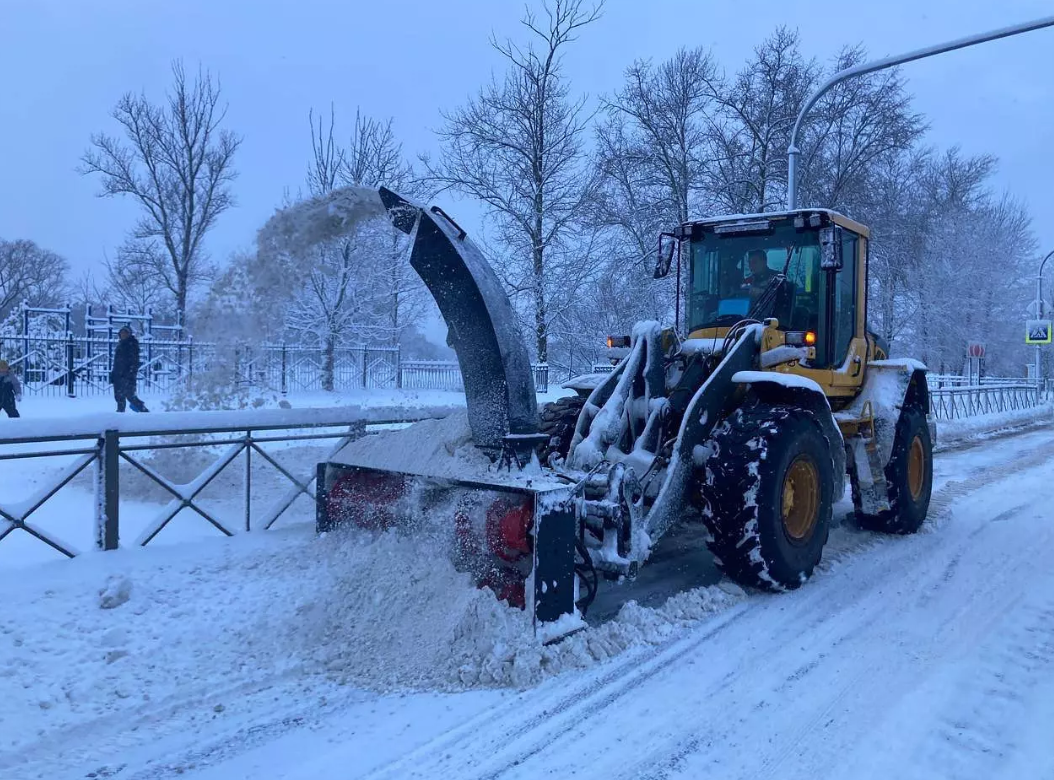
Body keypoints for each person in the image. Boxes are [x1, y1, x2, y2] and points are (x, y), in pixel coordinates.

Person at [110, 327, 149, 413]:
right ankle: (120, 414)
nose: (123, 335)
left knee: (131, 397)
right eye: (122, 333)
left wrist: (130, 374)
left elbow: (134, 362)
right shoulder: (120, 345)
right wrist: (114, 374)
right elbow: (117, 362)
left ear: (129, 334)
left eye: (125, 333)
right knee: (119, 397)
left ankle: (145, 413)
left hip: (127, 377)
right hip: (118, 376)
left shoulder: (132, 345)